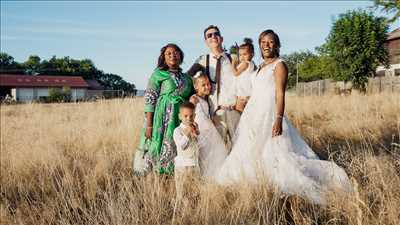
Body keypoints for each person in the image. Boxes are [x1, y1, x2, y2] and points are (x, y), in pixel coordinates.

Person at [215, 30, 352, 204]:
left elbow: (280, 94)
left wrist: (278, 119)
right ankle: (253, 184)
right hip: (253, 115)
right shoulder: (260, 68)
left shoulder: (279, 65)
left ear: (277, 45)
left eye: (271, 42)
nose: (266, 45)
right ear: (259, 45)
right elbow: (258, 92)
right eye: (263, 42)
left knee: (276, 154)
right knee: (251, 150)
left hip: (269, 115)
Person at [134, 43, 194, 175]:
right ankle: (157, 174)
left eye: (176, 52)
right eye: (169, 53)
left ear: (181, 56)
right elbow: (150, 99)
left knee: (179, 144)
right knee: (158, 144)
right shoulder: (158, 74)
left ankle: (175, 174)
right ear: (164, 58)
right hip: (161, 119)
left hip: (180, 119)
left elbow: (193, 97)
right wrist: (149, 125)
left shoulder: (187, 79)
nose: (173, 55)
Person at [187, 25, 240, 151]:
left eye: (216, 34)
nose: (213, 36)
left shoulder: (233, 59)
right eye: (209, 35)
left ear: (221, 38)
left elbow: (244, 79)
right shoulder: (202, 60)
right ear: (206, 41)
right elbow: (187, 80)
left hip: (234, 111)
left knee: (238, 149)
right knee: (216, 152)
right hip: (214, 114)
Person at [190, 74, 228, 178]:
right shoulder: (194, 98)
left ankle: (215, 175)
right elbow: (190, 115)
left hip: (209, 131)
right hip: (201, 132)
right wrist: (192, 128)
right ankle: (207, 176)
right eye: (204, 85)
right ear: (196, 86)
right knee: (206, 155)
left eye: (208, 84)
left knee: (217, 152)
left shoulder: (206, 100)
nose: (207, 87)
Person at [173, 102, 201, 202]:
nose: (189, 118)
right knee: (182, 192)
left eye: (191, 116)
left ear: (195, 116)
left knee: (194, 191)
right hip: (182, 166)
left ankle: (193, 209)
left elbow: (197, 145)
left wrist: (196, 133)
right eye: (185, 116)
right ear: (180, 116)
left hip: (194, 164)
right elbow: (182, 146)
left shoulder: (194, 129)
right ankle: (180, 211)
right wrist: (188, 134)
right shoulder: (177, 130)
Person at [230, 38, 257, 112]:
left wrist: (233, 62)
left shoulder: (246, 63)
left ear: (252, 54)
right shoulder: (252, 64)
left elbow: (235, 73)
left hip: (243, 94)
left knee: (239, 111)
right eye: (240, 55)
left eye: (245, 54)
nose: (242, 57)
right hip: (248, 93)